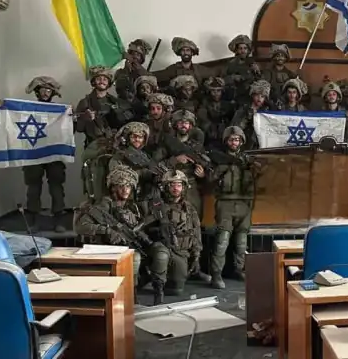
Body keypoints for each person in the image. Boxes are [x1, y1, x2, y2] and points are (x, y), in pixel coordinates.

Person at [74, 165, 169, 301]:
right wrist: (107, 231)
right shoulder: (104, 205)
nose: (125, 190)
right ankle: (131, 294)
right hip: (111, 247)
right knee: (134, 257)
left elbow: (140, 224)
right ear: (113, 188)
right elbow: (81, 227)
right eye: (121, 186)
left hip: (134, 243)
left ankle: (158, 291)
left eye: (128, 186)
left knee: (161, 252)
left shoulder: (132, 205)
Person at [75, 66, 134, 200]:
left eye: (105, 79)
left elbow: (125, 125)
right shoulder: (85, 103)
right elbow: (78, 128)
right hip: (94, 146)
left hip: (114, 146)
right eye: (98, 78)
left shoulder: (116, 102)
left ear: (109, 83)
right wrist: (85, 119)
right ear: (93, 82)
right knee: (95, 182)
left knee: (117, 180)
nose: (102, 81)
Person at [209, 126, 257, 289]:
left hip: (244, 203)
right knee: (222, 241)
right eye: (231, 139)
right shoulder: (219, 159)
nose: (234, 142)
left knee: (242, 242)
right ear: (226, 141)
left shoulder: (248, 160)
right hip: (225, 203)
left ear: (241, 142)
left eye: (237, 139)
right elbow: (210, 180)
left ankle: (239, 269)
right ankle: (216, 274)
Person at [149, 169, 208, 299]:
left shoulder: (189, 208)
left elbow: (196, 232)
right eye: (172, 185)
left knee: (176, 290)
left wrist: (196, 255)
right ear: (166, 187)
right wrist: (159, 232)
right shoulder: (157, 205)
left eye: (179, 185)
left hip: (181, 251)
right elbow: (145, 229)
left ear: (184, 187)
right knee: (161, 255)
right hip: (162, 248)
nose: (176, 188)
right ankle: (156, 285)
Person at [23, 76, 67, 232]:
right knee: (33, 188)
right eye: (42, 89)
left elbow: (68, 129)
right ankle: (33, 221)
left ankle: (59, 220)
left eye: (49, 90)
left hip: (54, 153)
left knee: (56, 187)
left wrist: (71, 116)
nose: (46, 92)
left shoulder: (60, 111)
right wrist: (2, 107)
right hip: (34, 152)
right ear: (37, 92)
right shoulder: (26, 110)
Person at [160, 109, 207, 214]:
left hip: (191, 185)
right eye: (180, 122)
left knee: (195, 214)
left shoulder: (197, 147)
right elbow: (156, 166)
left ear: (190, 125)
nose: (183, 125)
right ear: (175, 125)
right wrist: (175, 160)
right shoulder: (167, 143)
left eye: (186, 123)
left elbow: (207, 168)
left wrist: (202, 174)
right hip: (172, 185)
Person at [230, 80, 272, 150]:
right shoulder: (244, 109)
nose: (259, 98)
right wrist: (248, 116)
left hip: (261, 145)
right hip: (245, 143)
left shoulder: (267, 111)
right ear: (252, 95)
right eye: (257, 95)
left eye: (262, 96)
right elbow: (236, 128)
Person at [197, 77, 235, 150]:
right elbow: (203, 120)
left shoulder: (228, 105)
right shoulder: (205, 104)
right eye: (213, 91)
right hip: (210, 136)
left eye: (218, 90)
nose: (216, 93)